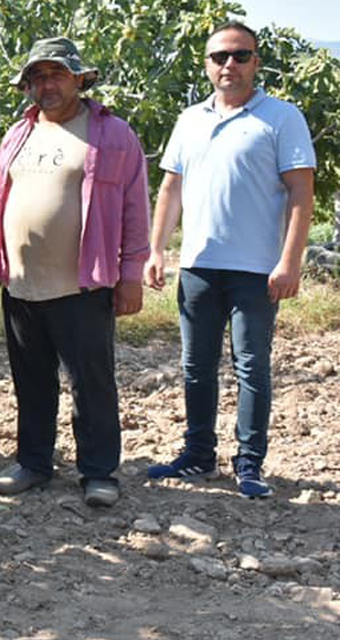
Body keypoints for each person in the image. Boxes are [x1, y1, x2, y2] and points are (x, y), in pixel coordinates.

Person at [144, 22, 316, 498]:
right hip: (199, 265)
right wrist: (157, 249)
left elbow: (303, 193)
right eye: (219, 56)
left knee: (250, 366)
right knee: (195, 366)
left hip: (257, 269)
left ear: (256, 61)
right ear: (206, 64)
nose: (229, 65)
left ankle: (249, 464)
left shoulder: (283, 118)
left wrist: (290, 262)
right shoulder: (189, 119)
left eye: (240, 55)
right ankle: (198, 456)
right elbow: (171, 188)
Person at [0, 37, 150, 508]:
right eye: (37, 77)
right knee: (31, 379)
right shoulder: (18, 134)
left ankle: (99, 471)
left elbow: (135, 206)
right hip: (21, 284)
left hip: (82, 283)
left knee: (91, 380)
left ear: (78, 78)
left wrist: (131, 272)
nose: (46, 85)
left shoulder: (111, 134)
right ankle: (33, 462)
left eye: (56, 74)